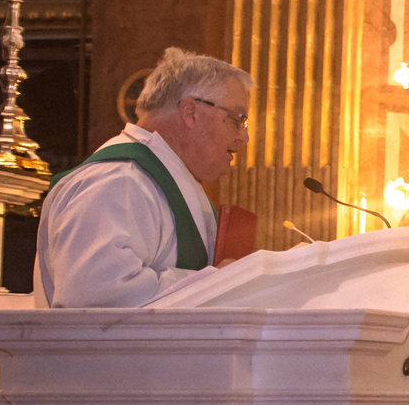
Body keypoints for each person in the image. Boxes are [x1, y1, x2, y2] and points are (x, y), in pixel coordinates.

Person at [39, 47, 250, 306]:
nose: (243, 137)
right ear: (191, 113)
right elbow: (94, 294)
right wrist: (217, 282)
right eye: (238, 119)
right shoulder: (119, 181)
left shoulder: (165, 180)